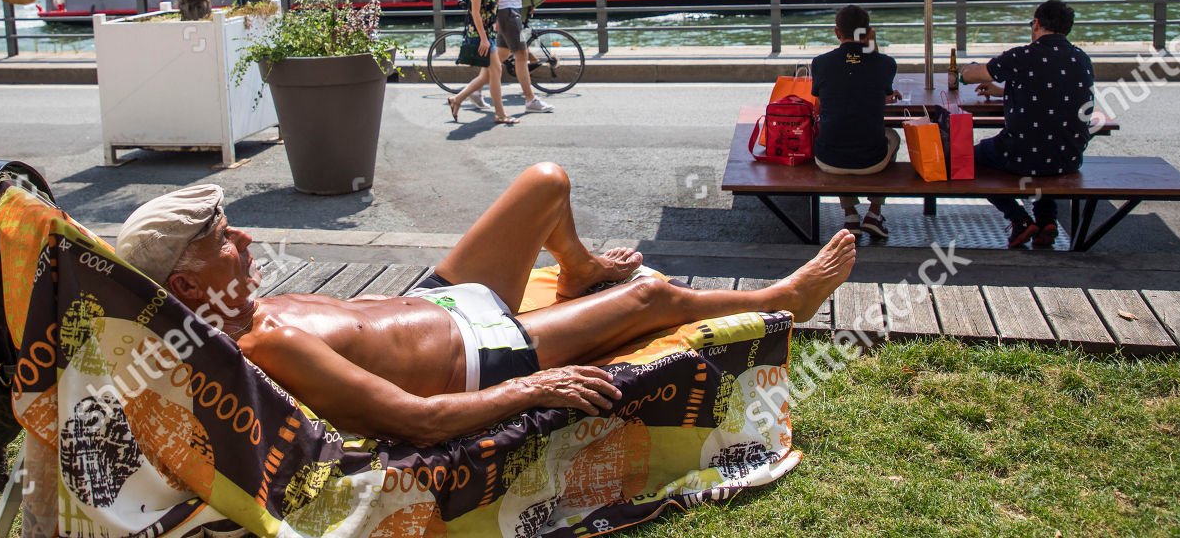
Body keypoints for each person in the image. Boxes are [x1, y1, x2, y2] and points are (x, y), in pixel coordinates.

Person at [115, 168, 858, 445]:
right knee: (651, 297)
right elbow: (414, 420)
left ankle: (578, 271)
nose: (244, 235)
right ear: (184, 287)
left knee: (546, 182)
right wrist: (531, 387)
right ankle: (783, 298)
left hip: (440, 302)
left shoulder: (243, 307)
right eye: (221, 235)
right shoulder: (264, 349)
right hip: (484, 352)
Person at [960, 0, 1096, 249]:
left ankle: (1018, 218)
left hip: (1023, 156)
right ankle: (1047, 220)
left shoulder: (1022, 56)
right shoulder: (1082, 58)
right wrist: (1002, 91)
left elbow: (970, 76)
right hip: (1069, 156)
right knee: (1045, 143)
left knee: (966, 160)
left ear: (1036, 23)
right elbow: (1049, 91)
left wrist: (966, 68)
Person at [810, 5, 903, 239]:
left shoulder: (820, 63)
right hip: (871, 160)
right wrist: (871, 42)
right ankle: (874, 213)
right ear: (868, 32)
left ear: (836, 32)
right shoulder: (885, 64)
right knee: (893, 136)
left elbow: (818, 107)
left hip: (827, 158)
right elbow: (883, 90)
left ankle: (850, 215)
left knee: (840, 131)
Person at [448, 0, 516, 125]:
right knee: (496, 71)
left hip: (490, 34)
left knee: (487, 75)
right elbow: (475, 13)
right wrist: (484, 39)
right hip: (481, 35)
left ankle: (457, 99)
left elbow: (490, 11)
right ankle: (500, 114)